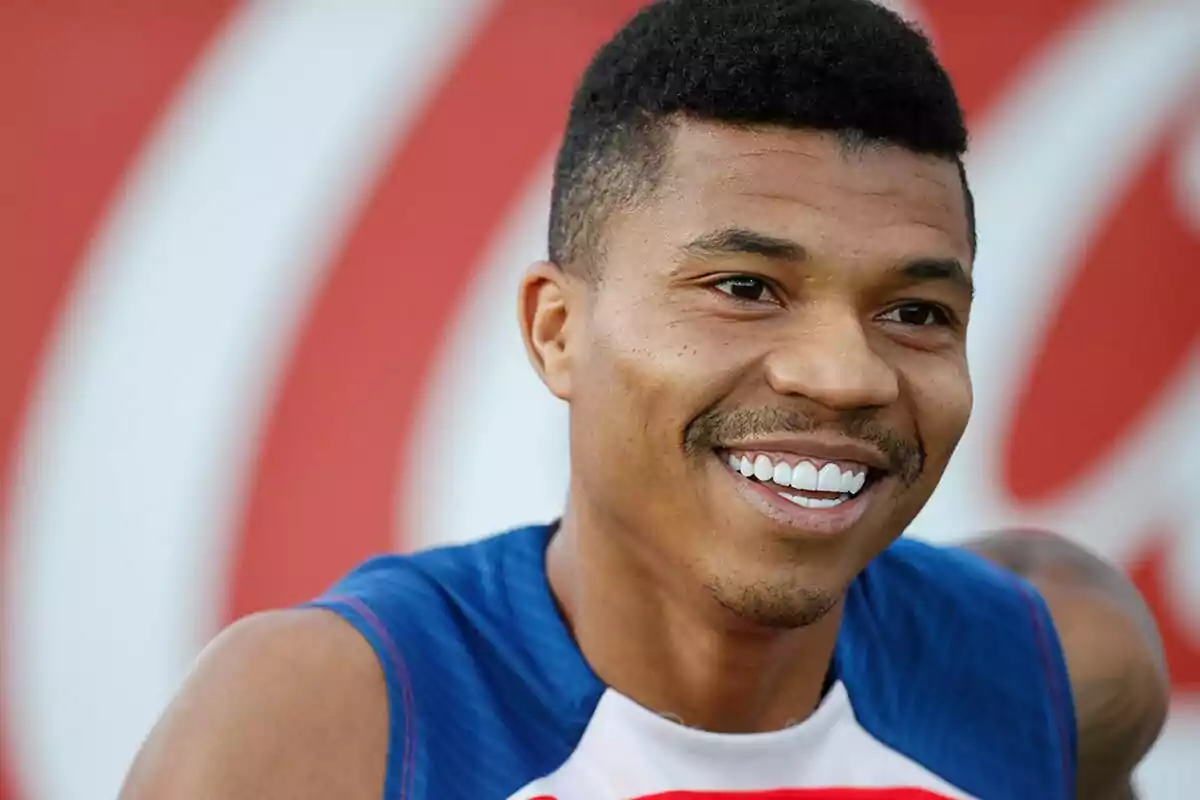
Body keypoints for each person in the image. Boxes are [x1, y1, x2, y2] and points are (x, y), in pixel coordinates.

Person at [120, 1, 1169, 798]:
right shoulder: (318, 727)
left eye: (918, 311)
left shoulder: (1058, 665)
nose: (847, 374)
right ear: (556, 329)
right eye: (746, 289)